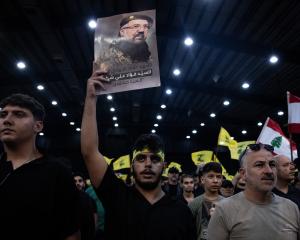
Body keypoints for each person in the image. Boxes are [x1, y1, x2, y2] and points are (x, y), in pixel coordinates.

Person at [80, 69, 196, 240]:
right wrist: (91, 99)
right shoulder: (117, 197)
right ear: (132, 165)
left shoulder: (181, 211)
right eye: (141, 158)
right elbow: (90, 152)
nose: (148, 163)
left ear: (164, 166)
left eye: (155, 159)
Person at [0, 93, 80, 240]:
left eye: (18, 114)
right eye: (3, 114)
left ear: (38, 126)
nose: (7, 120)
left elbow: (71, 232)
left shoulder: (57, 172)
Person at [208, 144, 300, 240]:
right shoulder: (224, 210)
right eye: (259, 165)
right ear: (243, 174)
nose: (269, 171)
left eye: (272, 165)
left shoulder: (292, 208)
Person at [189, 162, 224, 240]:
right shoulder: (194, 204)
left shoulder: (228, 203)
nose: (215, 180)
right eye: (211, 176)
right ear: (202, 179)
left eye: (218, 177)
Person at [73, 172, 97, 240]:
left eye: (80, 181)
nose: (77, 183)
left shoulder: (90, 200)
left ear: (83, 183)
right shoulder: (67, 200)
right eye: (75, 181)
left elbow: (94, 219)